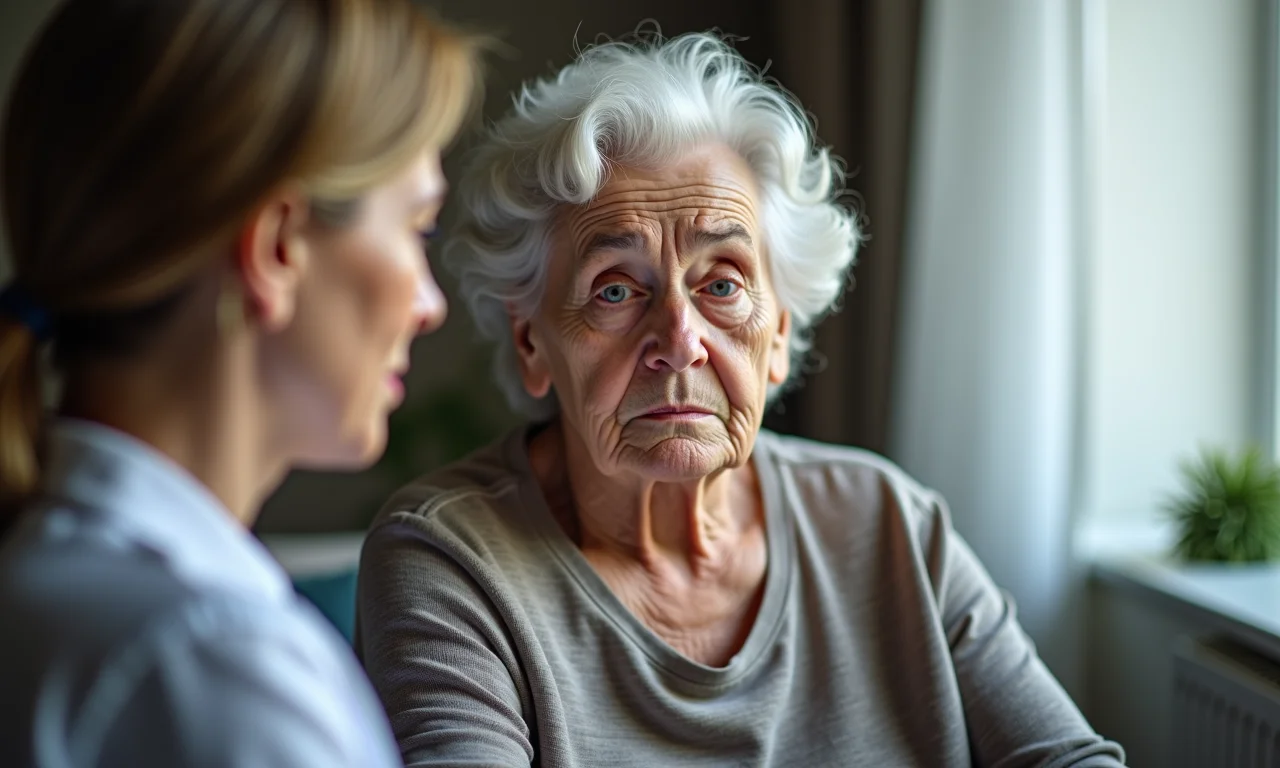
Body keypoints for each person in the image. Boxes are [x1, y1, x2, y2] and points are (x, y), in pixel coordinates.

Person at [356, 31, 1126, 767]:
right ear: (532, 343)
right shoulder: (452, 562)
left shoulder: (889, 525)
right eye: (616, 289)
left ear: (781, 333)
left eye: (722, 283)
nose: (679, 339)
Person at [0, 0, 481, 765]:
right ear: (277, 248)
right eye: (417, 228)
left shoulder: (51, 581)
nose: (431, 305)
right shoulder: (218, 667)